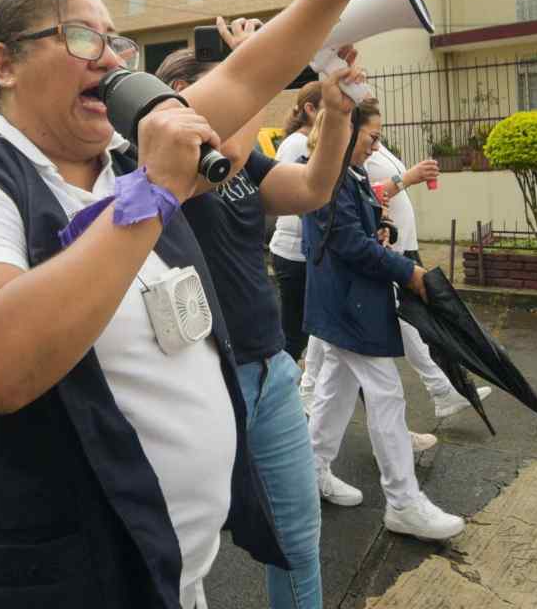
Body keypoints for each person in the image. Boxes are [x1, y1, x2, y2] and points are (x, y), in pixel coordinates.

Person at [0, 0, 427, 609]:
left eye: (115, 41)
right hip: (58, 583)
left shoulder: (124, 161)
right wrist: (149, 194)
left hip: (170, 574)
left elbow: (252, 72)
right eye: (82, 35)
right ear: (6, 65)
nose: (113, 58)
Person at [157, 31, 362, 609]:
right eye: (231, 79)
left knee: (297, 541)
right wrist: (272, 68)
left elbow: (315, 188)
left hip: (269, 371)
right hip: (197, 378)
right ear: (180, 96)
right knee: (179, 553)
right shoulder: (170, 163)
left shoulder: (246, 159)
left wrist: (337, 115)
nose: (243, 89)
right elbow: (227, 162)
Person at [301, 102, 465, 541]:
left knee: (335, 390)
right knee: (386, 394)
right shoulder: (329, 173)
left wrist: (381, 228)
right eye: (372, 136)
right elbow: (349, 245)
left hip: (345, 301)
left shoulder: (343, 172)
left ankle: (312, 471)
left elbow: (352, 235)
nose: (377, 144)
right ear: (346, 131)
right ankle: (403, 502)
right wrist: (408, 273)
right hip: (348, 303)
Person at [361, 143, 492, 419]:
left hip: (405, 243)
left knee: (415, 323)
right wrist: (409, 176)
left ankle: (444, 390)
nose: (374, 142)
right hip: (391, 251)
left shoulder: (378, 146)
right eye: (371, 135)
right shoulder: (356, 150)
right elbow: (369, 195)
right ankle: (443, 391)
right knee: (416, 322)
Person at [267, 83, 322, 366]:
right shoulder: (299, 144)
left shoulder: (306, 142)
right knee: (295, 335)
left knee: (311, 335)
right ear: (310, 110)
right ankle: (277, 395)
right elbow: (290, 195)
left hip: (303, 253)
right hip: (293, 253)